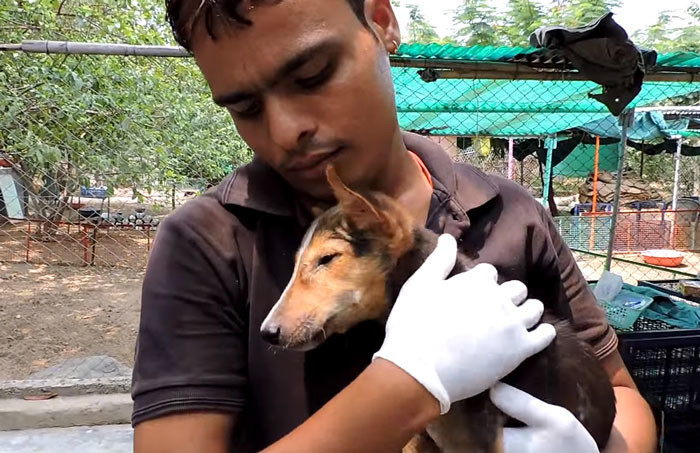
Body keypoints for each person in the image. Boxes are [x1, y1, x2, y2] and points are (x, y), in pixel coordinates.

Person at [131, 1, 657, 452]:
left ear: (382, 21)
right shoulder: (207, 241)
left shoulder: (511, 213)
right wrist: (410, 384)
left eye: (312, 75)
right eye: (245, 107)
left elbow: (623, 395)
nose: (286, 131)